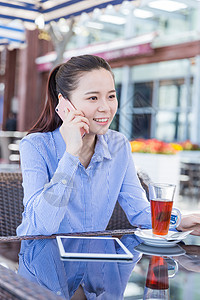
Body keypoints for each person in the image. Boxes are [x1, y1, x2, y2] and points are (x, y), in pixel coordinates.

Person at [16, 54, 200, 236]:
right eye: (93, 98)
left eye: (111, 96)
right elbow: (41, 227)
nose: (106, 107)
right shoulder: (35, 146)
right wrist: (71, 154)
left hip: (95, 260)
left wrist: (180, 220)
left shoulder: (118, 145)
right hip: (41, 257)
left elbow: (139, 211)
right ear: (64, 103)